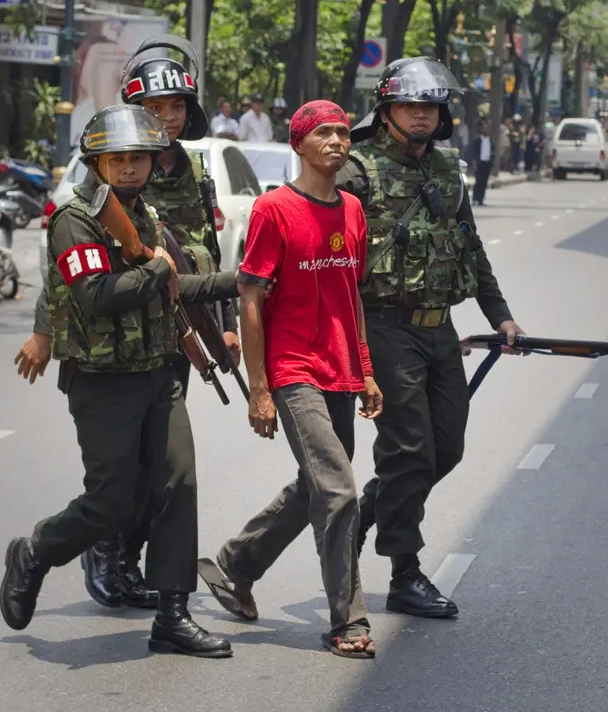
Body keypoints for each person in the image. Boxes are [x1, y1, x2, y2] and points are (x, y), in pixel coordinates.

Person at [0, 104, 238, 659]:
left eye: (139, 158)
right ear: (97, 163)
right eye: (119, 159)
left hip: (159, 374)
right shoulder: (74, 221)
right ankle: (36, 551)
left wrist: (245, 281)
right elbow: (98, 296)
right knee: (111, 504)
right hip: (103, 383)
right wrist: (155, 266)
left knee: (178, 486)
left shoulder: (147, 216)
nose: (131, 168)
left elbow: (180, 285)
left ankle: (173, 616)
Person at [336, 56, 526, 618]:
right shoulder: (357, 169)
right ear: (387, 109)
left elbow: (471, 246)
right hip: (385, 327)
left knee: (446, 447)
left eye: (430, 108)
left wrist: (501, 315)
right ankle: (404, 572)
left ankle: (369, 509)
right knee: (410, 449)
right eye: (410, 107)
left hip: (440, 329)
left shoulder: (446, 169)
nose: (421, 117)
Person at [197, 100, 382, 659]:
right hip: (292, 368)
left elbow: (352, 299)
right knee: (338, 488)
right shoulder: (274, 210)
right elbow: (251, 299)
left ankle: (235, 563)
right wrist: (260, 388)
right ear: (298, 142)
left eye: (343, 133)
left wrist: (367, 370)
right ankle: (348, 620)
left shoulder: (353, 210)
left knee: (315, 486)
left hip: (341, 369)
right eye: (323, 132)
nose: (336, 141)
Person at [471, 117, 494, 205]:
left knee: (484, 182)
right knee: (478, 181)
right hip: (479, 163)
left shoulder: (490, 140)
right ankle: (475, 198)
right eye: (484, 127)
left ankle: (481, 199)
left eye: (487, 127)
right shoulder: (478, 140)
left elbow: (492, 151)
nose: (486, 129)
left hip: (487, 163)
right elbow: (474, 152)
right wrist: (474, 162)